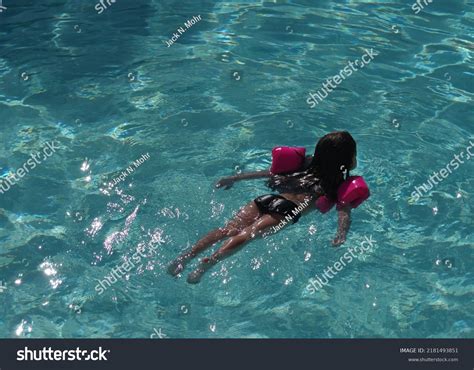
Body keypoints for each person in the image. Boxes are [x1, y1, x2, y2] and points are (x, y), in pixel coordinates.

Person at [168, 131, 363, 284]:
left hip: (266, 198)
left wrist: (235, 178)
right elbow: (343, 210)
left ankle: (184, 258)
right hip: (288, 209)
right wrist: (342, 233)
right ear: (348, 160)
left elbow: (269, 173)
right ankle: (207, 265)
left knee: (226, 229)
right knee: (247, 234)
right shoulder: (338, 184)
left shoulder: (306, 164)